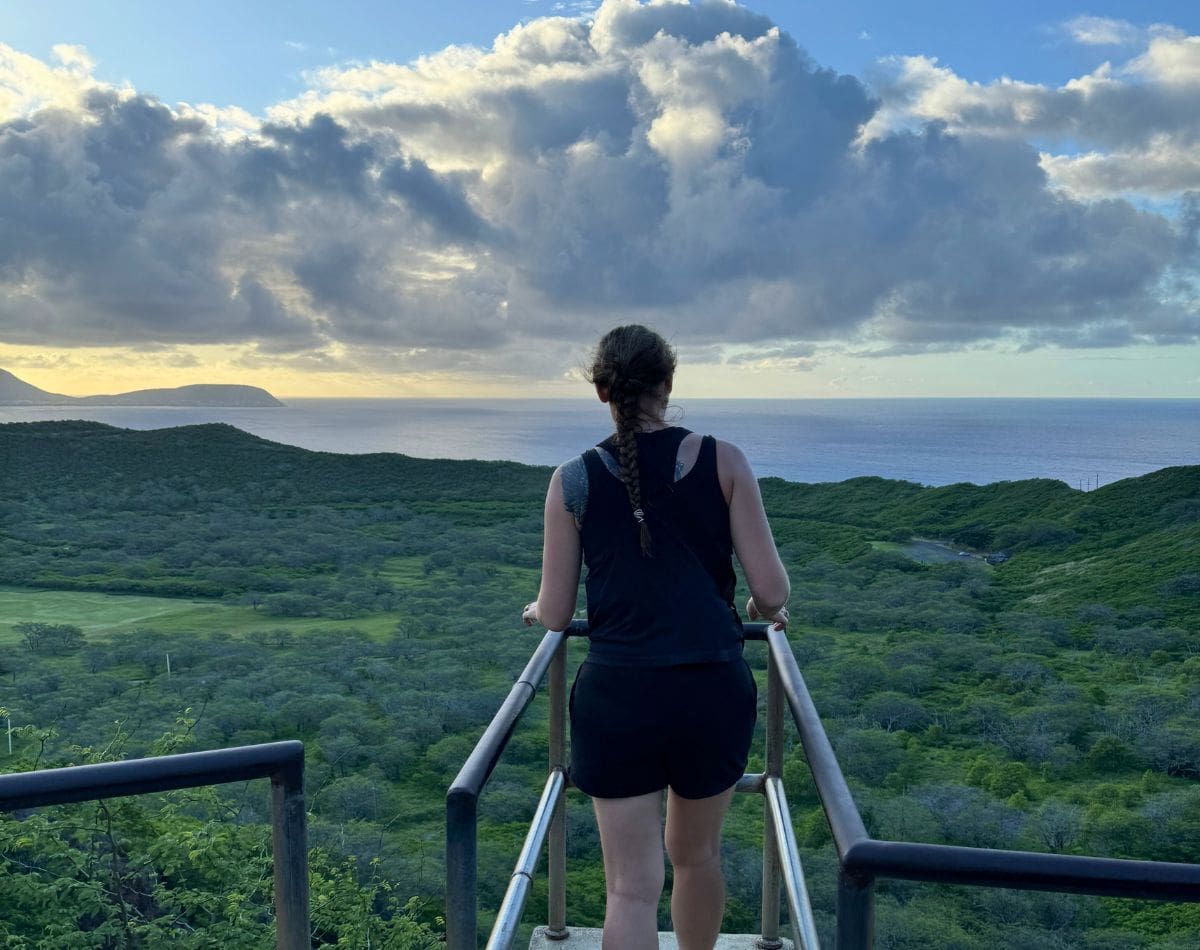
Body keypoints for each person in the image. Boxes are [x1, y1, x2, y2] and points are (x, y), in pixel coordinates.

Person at [522, 324, 790, 950]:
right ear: (668, 386)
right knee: (697, 858)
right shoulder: (724, 460)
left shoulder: (573, 480)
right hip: (711, 689)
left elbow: (559, 614)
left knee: (630, 889)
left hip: (618, 697)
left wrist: (538, 608)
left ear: (601, 391)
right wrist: (756, 604)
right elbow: (772, 594)